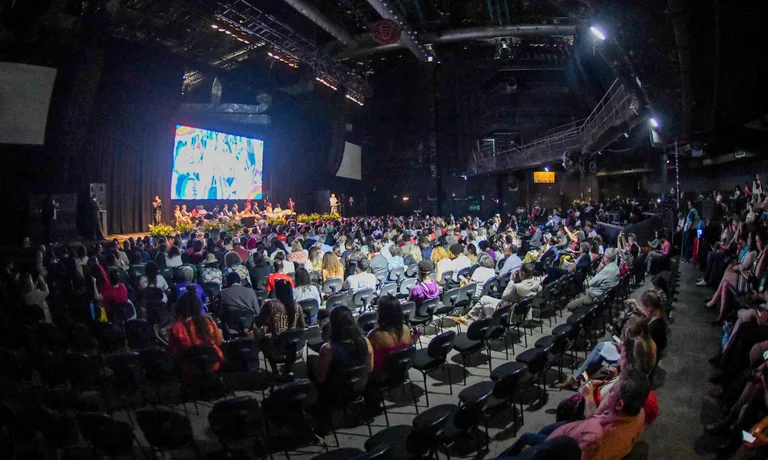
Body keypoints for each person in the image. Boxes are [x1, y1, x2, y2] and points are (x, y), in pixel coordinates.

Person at [546, 370, 651, 460]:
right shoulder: (640, 413)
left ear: (619, 405)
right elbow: (597, 417)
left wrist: (588, 395)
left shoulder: (595, 438)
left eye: (611, 391)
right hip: (573, 433)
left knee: (533, 437)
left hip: (559, 446)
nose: (608, 393)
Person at [308, 306, 373, 397]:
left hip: (336, 391)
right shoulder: (366, 341)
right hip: (359, 386)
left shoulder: (328, 349)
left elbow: (320, 379)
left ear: (332, 324)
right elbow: (370, 369)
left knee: (311, 360)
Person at [167, 285, 224, 376]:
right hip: (213, 364)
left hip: (189, 369)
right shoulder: (208, 320)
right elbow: (218, 341)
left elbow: (173, 351)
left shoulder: (176, 327)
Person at [256, 280, 306, 375]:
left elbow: (259, 322)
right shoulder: (297, 306)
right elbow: (302, 327)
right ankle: (288, 370)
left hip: (277, 350)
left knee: (262, 340)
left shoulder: (271, 305)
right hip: (296, 349)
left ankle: (275, 371)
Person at [466, 262, 541, 321]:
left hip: (509, 312)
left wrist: (512, 281)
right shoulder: (537, 285)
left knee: (484, 306)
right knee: (484, 298)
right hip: (522, 313)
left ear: (523, 273)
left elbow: (504, 297)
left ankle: (471, 319)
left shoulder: (517, 287)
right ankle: (473, 320)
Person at [367, 295, 412, 375]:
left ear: (382, 313)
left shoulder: (374, 335)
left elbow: (367, 360)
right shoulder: (406, 329)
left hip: (382, 376)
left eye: (378, 309)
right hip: (401, 371)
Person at [565, 248, 619, 312]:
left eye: (604, 256)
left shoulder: (606, 271)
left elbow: (590, 283)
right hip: (605, 296)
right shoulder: (616, 267)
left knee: (570, 305)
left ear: (607, 258)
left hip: (594, 298)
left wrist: (599, 268)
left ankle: (583, 317)